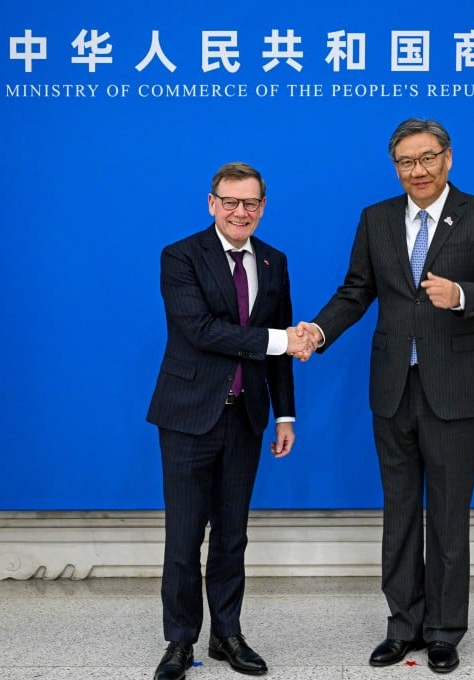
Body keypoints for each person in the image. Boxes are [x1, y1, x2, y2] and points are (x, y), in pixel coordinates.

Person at [295, 118, 474, 674]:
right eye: (405, 162)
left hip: (457, 388)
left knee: (448, 513)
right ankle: (402, 625)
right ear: (395, 166)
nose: (416, 171)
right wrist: (318, 332)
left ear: (447, 158)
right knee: (399, 512)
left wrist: (462, 292)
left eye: (426, 158)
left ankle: (444, 630)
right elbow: (356, 290)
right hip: (393, 387)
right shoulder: (376, 219)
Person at [146, 161, 314, 680]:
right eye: (231, 201)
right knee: (183, 535)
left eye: (252, 203)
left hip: (246, 417)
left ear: (263, 207)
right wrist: (281, 339)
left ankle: (227, 634)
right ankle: (179, 642)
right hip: (187, 417)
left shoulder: (275, 260)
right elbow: (200, 330)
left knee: (233, 535)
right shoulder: (180, 256)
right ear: (212, 203)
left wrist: (285, 414)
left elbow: (281, 349)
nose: (241, 212)